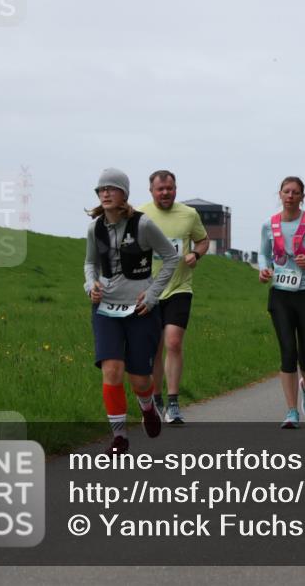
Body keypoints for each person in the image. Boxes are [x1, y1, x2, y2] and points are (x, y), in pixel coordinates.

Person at [84, 168, 180, 454]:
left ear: (124, 193)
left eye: (111, 188)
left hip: (140, 309)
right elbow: (90, 264)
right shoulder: (95, 227)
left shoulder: (143, 225)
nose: (105, 193)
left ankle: (148, 407)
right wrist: (91, 285)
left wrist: (152, 295)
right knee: (112, 370)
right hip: (105, 309)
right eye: (101, 190)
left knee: (140, 379)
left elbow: (172, 258)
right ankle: (119, 436)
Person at [259, 177, 305, 428]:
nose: (290, 196)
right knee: (288, 351)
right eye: (286, 191)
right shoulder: (269, 224)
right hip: (281, 293)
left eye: (295, 192)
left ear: (303, 196)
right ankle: (291, 411)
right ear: (279, 194)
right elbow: (262, 252)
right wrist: (264, 269)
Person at [138, 170, 209, 424]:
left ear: (175, 189)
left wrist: (196, 255)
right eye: (160, 189)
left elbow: (203, 241)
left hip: (179, 288)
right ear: (151, 191)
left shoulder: (189, 214)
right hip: (150, 290)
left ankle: (174, 402)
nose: (165, 192)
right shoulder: (140, 214)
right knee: (154, 348)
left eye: (170, 188)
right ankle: (155, 400)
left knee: (173, 342)